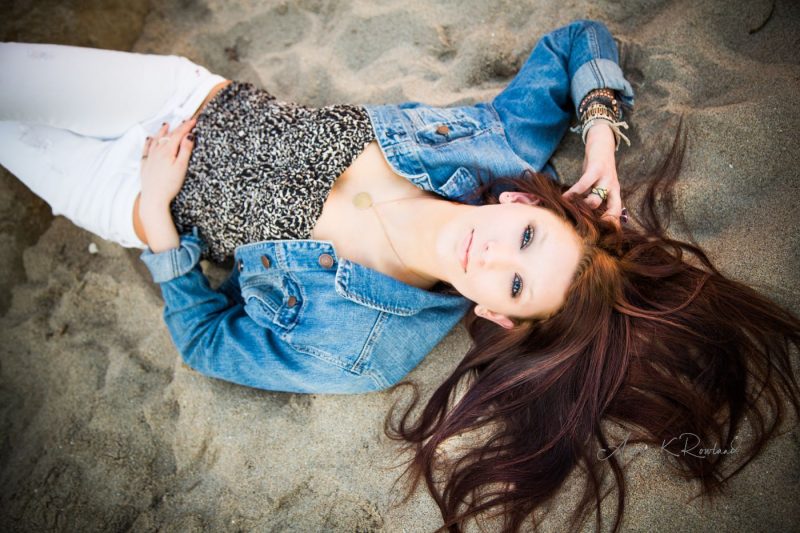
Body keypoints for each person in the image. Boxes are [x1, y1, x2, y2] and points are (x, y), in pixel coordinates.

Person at [1, 20, 798, 533]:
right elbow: (577, 42)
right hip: (184, 96)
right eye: (525, 235)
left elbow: (209, 341)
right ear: (523, 199)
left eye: (517, 282)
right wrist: (598, 144)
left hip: (121, 194)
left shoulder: (365, 350)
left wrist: (155, 220)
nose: (494, 255)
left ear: (499, 316)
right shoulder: (488, 144)